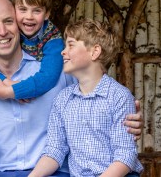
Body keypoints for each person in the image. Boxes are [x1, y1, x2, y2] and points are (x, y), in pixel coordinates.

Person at [0, 0, 143, 177]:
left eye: (8, 21)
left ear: (19, 24)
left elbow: (96, 92)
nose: (2, 31)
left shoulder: (58, 74)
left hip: (57, 173)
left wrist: (127, 121)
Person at [29, 19, 144, 177]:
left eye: (71, 45)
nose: (63, 51)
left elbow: (125, 155)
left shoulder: (119, 97)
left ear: (94, 52)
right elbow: (55, 150)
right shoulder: (62, 99)